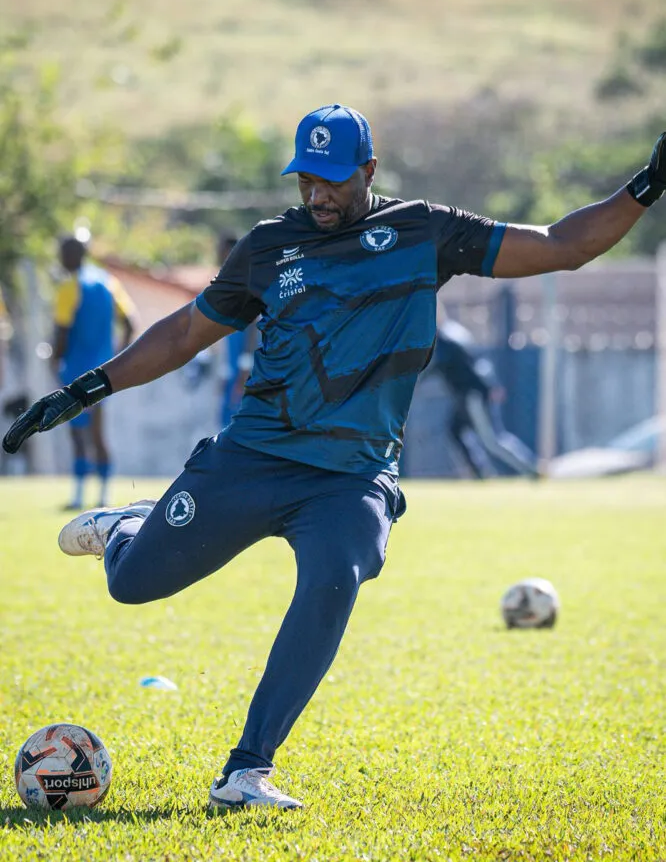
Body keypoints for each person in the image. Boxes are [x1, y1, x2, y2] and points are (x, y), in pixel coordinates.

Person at [3, 105, 665, 811]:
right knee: (132, 586)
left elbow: (562, 244)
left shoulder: (425, 231)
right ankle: (126, 529)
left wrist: (647, 187)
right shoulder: (266, 247)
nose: (316, 195)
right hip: (253, 455)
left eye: (331, 180)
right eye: (305, 181)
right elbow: (186, 333)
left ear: (368, 171)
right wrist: (87, 388)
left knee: (333, 576)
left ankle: (246, 770)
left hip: (352, 476)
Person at [52, 236, 137, 509]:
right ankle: (103, 495)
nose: (60, 258)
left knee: (78, 433)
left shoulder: (69, 285)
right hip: (104, 370)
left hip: (76, 368)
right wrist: (119, 358)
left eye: (63, 253)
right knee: (99, 432)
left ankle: (78, 496)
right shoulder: (108, 282)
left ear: (74, 255)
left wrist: (54, 361)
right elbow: (130, 323)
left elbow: (62, 331)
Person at [433, 318, 538, 478]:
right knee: (455, 430)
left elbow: (473, 364)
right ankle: (479, 473)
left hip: (473, 395)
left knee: (493, 441)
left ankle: (531, 468)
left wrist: (488, 386)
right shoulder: (447, 337)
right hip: (464, 396)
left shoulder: (448, 341)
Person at [215, 230, 256, 427]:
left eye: (225, 252)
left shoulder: (247, 282)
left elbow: (254, 324)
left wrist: (245, 364)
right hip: (230, 367)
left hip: (243, 368)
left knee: (239, 419)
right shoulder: (224, 284)